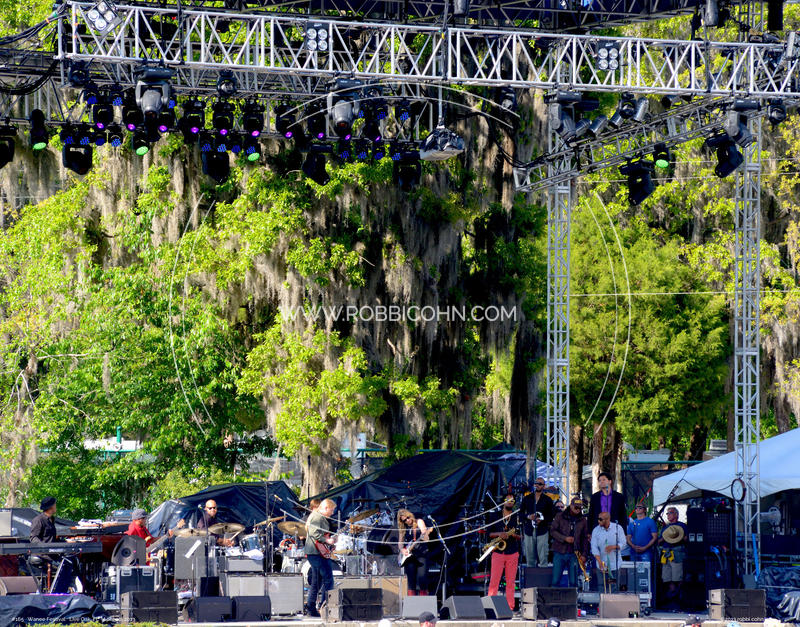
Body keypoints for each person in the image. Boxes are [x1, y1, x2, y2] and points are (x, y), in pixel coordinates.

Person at [487, 493, 521, 610]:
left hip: (512, 552)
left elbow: (521, 536)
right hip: (498, 552)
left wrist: (512, 535)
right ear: (503, 501)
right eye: (507, 499)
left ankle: (510, 607)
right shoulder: (495, 516)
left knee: (510, 582)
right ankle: (491, 607)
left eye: (512, 500)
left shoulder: (517, 517)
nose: (510, 502)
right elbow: (489, 533)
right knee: (494, 581)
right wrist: (499, 534)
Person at [305, 498, 337, 617]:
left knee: (317, 582)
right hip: (316, 553)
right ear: (326, 508)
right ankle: (325, 607)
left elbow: (319, 534)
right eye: (332, 510)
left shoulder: (318, 517)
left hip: (317, 552)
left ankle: (311, 608)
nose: (332, 513)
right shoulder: (317, 517)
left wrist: (330, 542)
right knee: (328, 579)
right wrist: (327, 540)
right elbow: (314, 533)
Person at [549, 497, 589, 587]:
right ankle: (553, 599)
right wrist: (564, 538)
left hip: (574, 553)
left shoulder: (583, 520)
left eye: (580, 508)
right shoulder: (560, 516)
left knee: (574, 582)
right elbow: (552, 531)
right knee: (555, 581)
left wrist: (584, 554)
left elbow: (585, 539)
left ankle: (573, 600)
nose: (578, 510)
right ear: (571, 506)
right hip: (559, 552)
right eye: (576, 507)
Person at [521, 479, 554, 567]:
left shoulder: (548, 500)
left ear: (544, 486)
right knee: (530, 557)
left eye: (540, 484)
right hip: (529, 530)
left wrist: (542, 519)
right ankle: (531, 578)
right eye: (536, 483)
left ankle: (543, 578)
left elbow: (551, 515)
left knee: (543, 556)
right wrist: (528, 516)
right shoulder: (527, 498)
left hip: (542, 530)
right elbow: (520, 514)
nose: (537, 485)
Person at [591, 512, 627, 592]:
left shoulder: (618, 528)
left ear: (607, 519)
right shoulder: (596, 530)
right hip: (601, 564)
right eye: (598, 519)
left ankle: (612, 603)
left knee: (613, 586)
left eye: (600, 519)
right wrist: (599, 561)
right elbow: (594, 547)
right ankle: (603, 603)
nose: (598, 521)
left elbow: (623, 543)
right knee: (602, 586)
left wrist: (613, 547)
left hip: (614, 564)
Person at [659, 507, 688, 609]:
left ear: (676, 514)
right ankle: (671, 595)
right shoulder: (665, 527)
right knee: (666, 577)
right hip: (666, 554)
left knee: (678, 576)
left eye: (670, 513)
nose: (668, 515)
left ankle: (678, 596)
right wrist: (664, 538)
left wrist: (679, 537)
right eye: (667, 513)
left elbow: (686, 538)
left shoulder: (682, 526)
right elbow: (659, 541)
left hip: (677, 553)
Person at [398, 509, 431, 596]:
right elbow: (400, 543)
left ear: (410, 515)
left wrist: (425, 534)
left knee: (422, 578)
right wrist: (402, 550)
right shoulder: (403, 528)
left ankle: (424, 601)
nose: (407, 521)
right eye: (404, 520)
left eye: (408, 518)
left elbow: (425, 535)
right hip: (410, 556)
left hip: (421, 553)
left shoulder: (419, 521)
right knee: (411, 580)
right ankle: (412, 602)